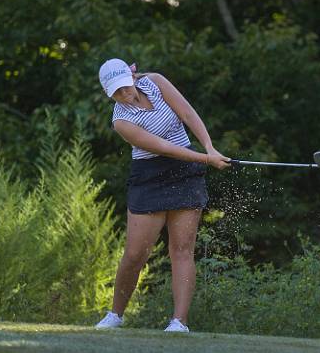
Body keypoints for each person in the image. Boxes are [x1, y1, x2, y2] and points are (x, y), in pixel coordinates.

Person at [94, 58, 231, 333]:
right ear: (109, 94)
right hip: (150, 176)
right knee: (135, 255)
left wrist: (210, 147)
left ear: (132, 77)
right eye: (116, 93)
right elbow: (163, 148)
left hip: (186, 171)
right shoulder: (121, 121)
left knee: (181, 250)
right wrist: (206, 159)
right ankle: (115, 315)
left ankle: (179, 322)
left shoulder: (155, 82)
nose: (124, 95)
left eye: (125, 87)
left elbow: (188, 114)